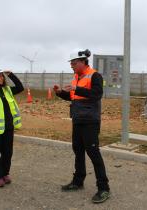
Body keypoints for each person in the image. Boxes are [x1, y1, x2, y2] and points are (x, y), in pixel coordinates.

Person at [54, 49, 110, 203]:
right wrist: (60, 93)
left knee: (93, 153)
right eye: (71, 63)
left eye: (74, 62)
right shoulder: (76, 77)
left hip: (90, 121)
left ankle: (104, 188)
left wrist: (76, 88)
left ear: (83, 62)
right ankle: (78, 181)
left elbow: (97, 94)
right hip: (77, 120)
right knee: (78, 151)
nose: (71, 65)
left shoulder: (95, 75)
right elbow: (73, 96)